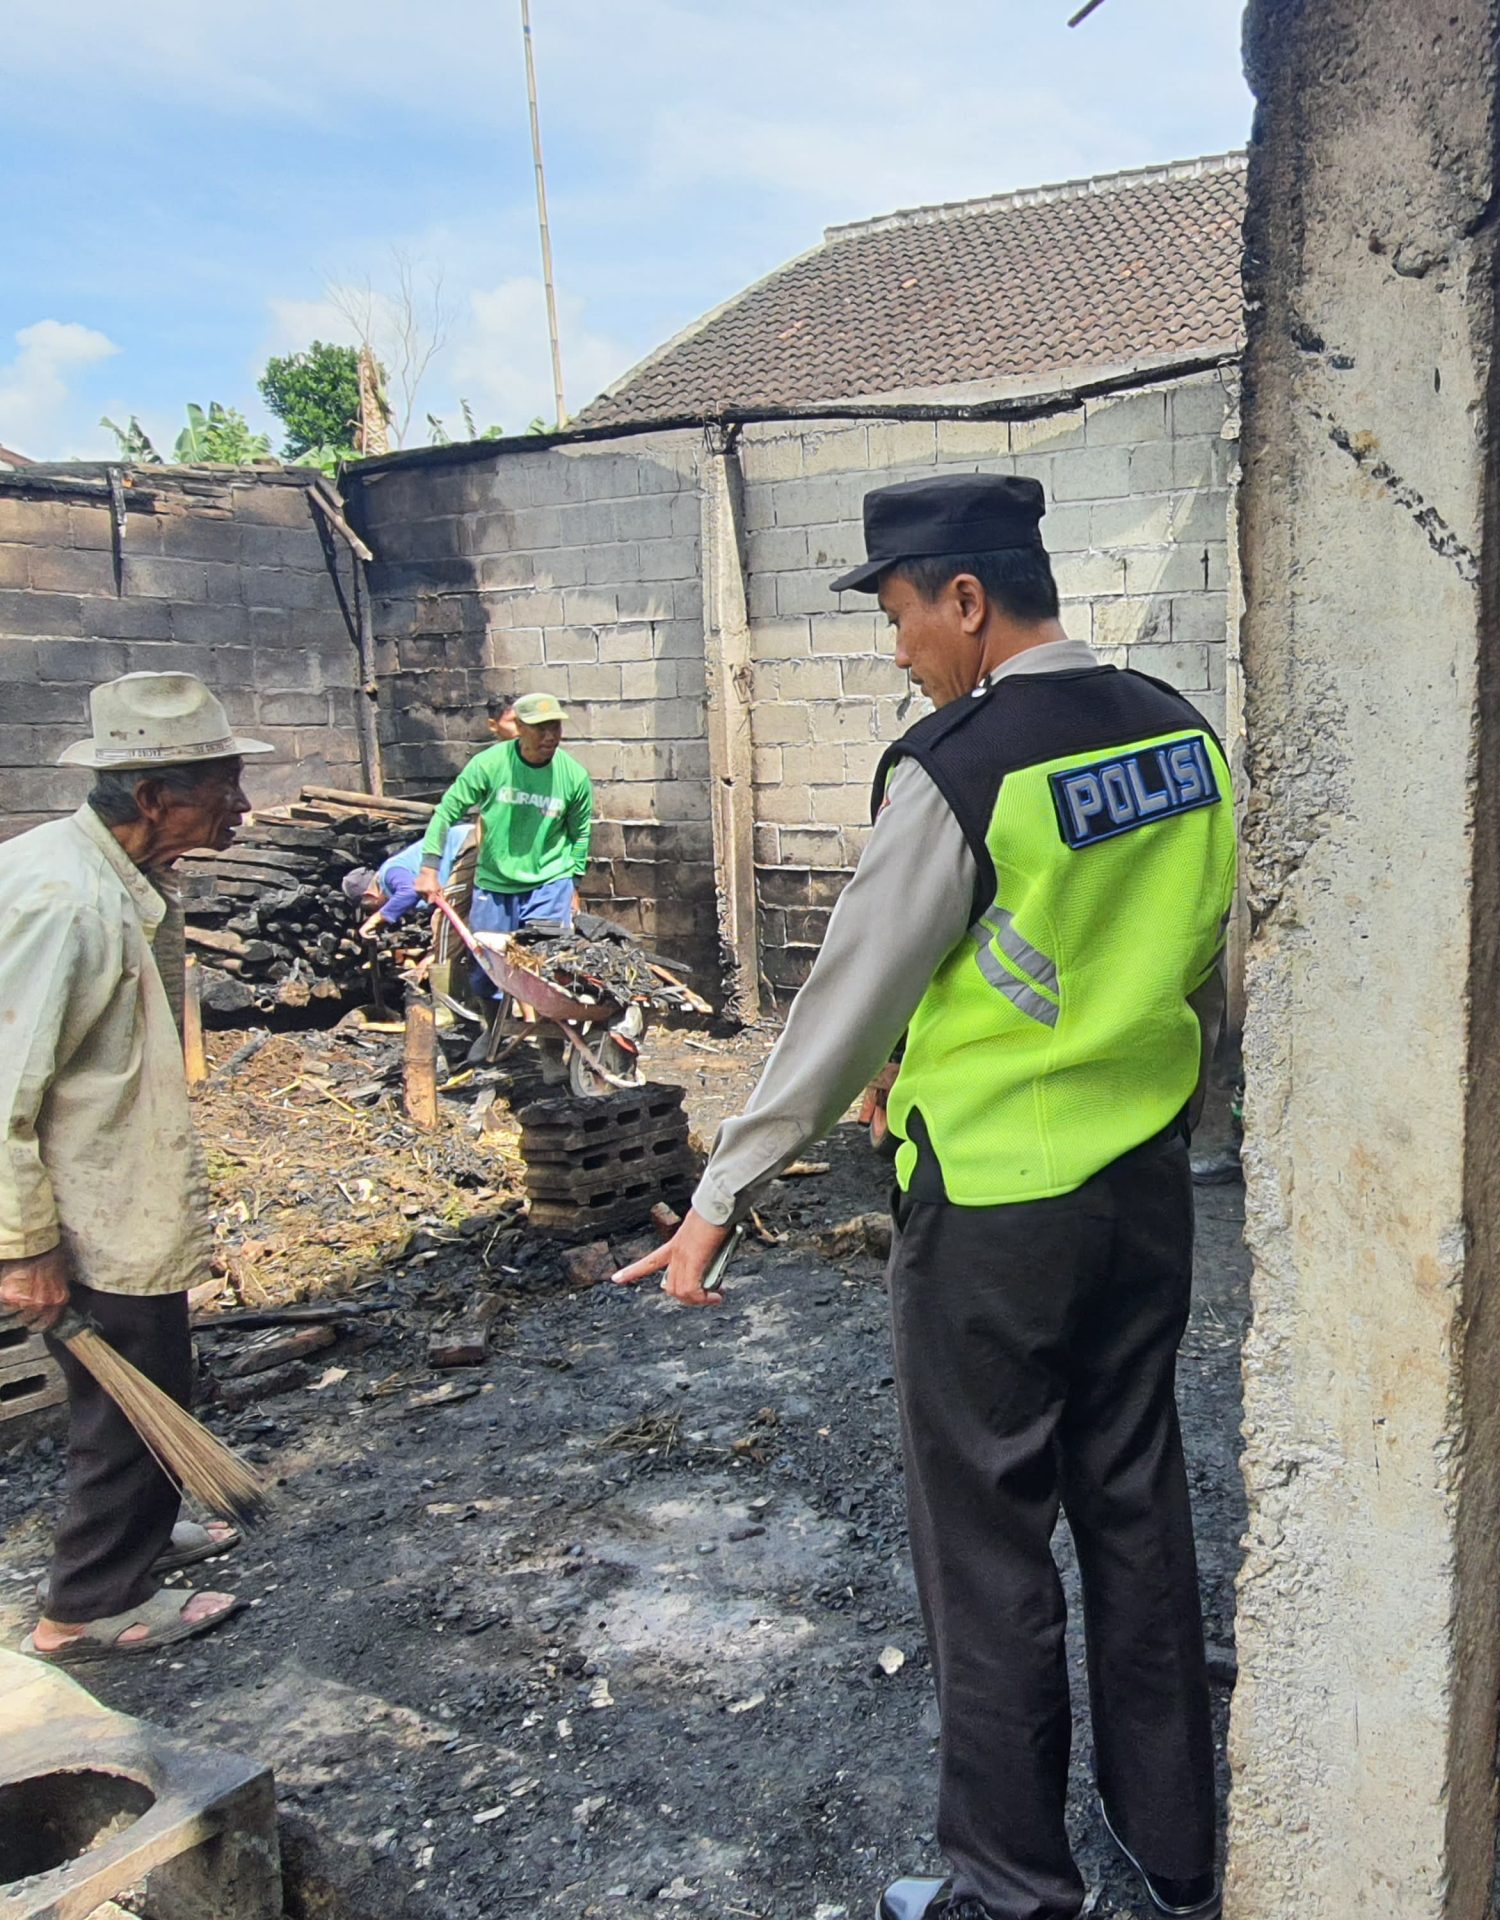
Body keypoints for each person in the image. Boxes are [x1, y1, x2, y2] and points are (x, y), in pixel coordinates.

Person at [614, 474, 1233, 1920]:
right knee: (1136, 1504)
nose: (899, 650)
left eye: (900, 616)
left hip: (997, 1217)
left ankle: (1010, 1886)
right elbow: (1197, 947)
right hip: (1144, 1186)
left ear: (966, 599)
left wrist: (722, 1191)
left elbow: (845, 998)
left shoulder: (958, 763)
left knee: (988, 1536)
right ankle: (1178, 1841)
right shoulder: (1179, 730)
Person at [1, 673, 261, 1662]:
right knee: (122, 1398)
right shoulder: (66, 902)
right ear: (155, 798)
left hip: (118, 1189)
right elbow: (4, 1086)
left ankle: (146, 1532)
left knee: (150, 1373)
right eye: (222, 787)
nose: (241, 808)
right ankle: (90, 1603)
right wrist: (22, 1246)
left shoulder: (106, 877)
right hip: (91, 1207)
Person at [415, 690, 591, 1012]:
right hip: (495, 882)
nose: (550, 736)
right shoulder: (489, 765)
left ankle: (548, 1047)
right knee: (488, 972)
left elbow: (580, 835)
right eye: (541, 728)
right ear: (520, 727)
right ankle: (492, 1027)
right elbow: (446, 812)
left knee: (545, 968)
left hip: (549, 883)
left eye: (556, 727)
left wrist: (574, 883)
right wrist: (429, 867)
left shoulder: (574, 777)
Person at [342, 835, 460, 934]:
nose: (374, 912)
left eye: (370, 909)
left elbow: (410, 891)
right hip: (461, 860)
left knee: (444, 925)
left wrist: (377, 918)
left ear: (371, 895)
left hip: (462, 849)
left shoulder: (389, 872)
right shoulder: (394, 877)